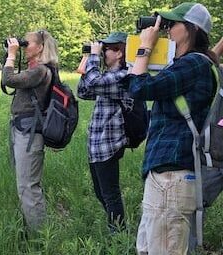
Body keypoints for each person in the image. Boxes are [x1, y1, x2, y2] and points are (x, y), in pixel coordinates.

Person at [127, 3, 218, 254]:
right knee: (148, 248)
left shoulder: (194, 64)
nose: (166, 29)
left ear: (190, 29)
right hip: (166, 174)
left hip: (173, 175)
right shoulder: (189, 65)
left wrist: (144, 46)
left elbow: (139, 88)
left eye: (172, 24)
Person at [1, 30, 58, 231]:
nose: (24, 46)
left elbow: (9, 80)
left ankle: (40, 237)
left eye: (28, 43)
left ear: (40, 47)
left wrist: (11, 55)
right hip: (22, 130)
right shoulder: (34, 69)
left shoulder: (41, 71)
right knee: (24, 185)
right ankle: (31, 229)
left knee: (28, 186)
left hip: (30, 133)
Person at [77, 32, 131, 234]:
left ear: (119, 53)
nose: (103, 52)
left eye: (106, 49)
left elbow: (94, 83)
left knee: (110, 194)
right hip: (96, 144)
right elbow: (83, 91)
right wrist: (88, 59)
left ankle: (118, 235)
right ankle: (116, 228)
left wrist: (93, 56)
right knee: (101, 193)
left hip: (109, 143)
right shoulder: (107, 76)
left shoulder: (124, 76)